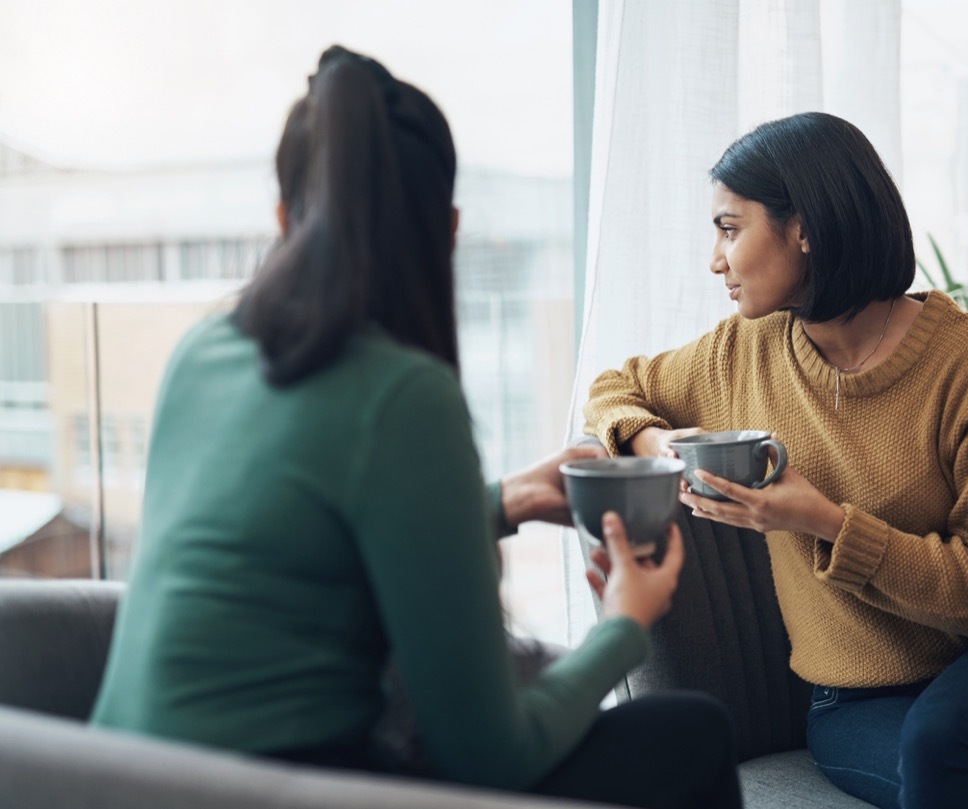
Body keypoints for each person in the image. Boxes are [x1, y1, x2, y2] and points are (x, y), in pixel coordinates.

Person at [90, 45, 741, 809]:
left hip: (97, 776)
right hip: (272, 787)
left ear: (282, 218)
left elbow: (300, 543)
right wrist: (627, 621)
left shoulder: (202, 349)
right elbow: (492, 755)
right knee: (688, 731)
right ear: (451, 229)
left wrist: (498, 501)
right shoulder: (405, 396)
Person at [583, 111, 968, 809]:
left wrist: (829, 522)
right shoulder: (744, 351)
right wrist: (655, 442)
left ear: (804, 227)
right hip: (855, 701)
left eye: (730, 228)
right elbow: (613, 387)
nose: (715, 259)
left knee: (941, 745)